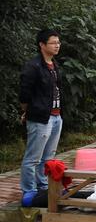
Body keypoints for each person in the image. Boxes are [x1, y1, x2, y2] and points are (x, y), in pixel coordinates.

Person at [19, 29, 64, 196]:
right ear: (42, 45)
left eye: (58, 42)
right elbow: (25, 93)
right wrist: (27, 111)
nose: (57, 45)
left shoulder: (54, 64)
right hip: (40, 117)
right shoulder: (33, 66)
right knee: (33, 157)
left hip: (56, 115)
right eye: (53, 43)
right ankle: (29, 189)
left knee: (48, 156)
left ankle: (43, 185)